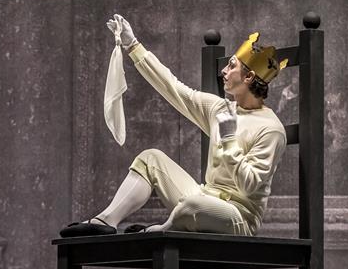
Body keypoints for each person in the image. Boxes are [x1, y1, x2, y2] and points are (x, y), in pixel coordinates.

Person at [61, 14, 287, 237]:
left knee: (193, 205)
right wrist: (133, 46)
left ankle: (160, 230)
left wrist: (229, 140)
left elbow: (249, 186)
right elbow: (174, 88)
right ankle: (106, 220)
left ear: (248, 77)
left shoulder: (271, 129)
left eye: (231, 65)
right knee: (150, 159)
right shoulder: (221, 109)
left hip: (238, 218)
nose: (224, 71)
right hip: (204, 198)